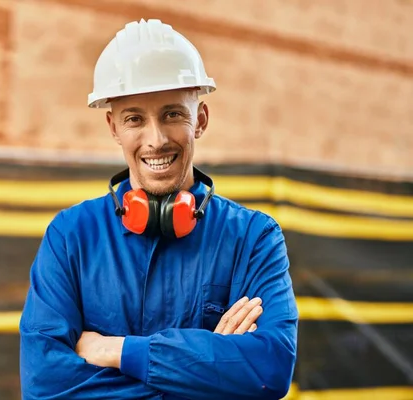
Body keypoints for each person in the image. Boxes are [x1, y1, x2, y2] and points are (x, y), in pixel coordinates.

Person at [19, 19, 298, 400]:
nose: (156, 140)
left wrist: (115, 351)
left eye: (172, 114)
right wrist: (206, 373)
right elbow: (45, 384)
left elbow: (270, 369)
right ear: (113, 127)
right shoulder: (71, 236)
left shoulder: (254, 238)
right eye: (134, 118)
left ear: (199, 120)